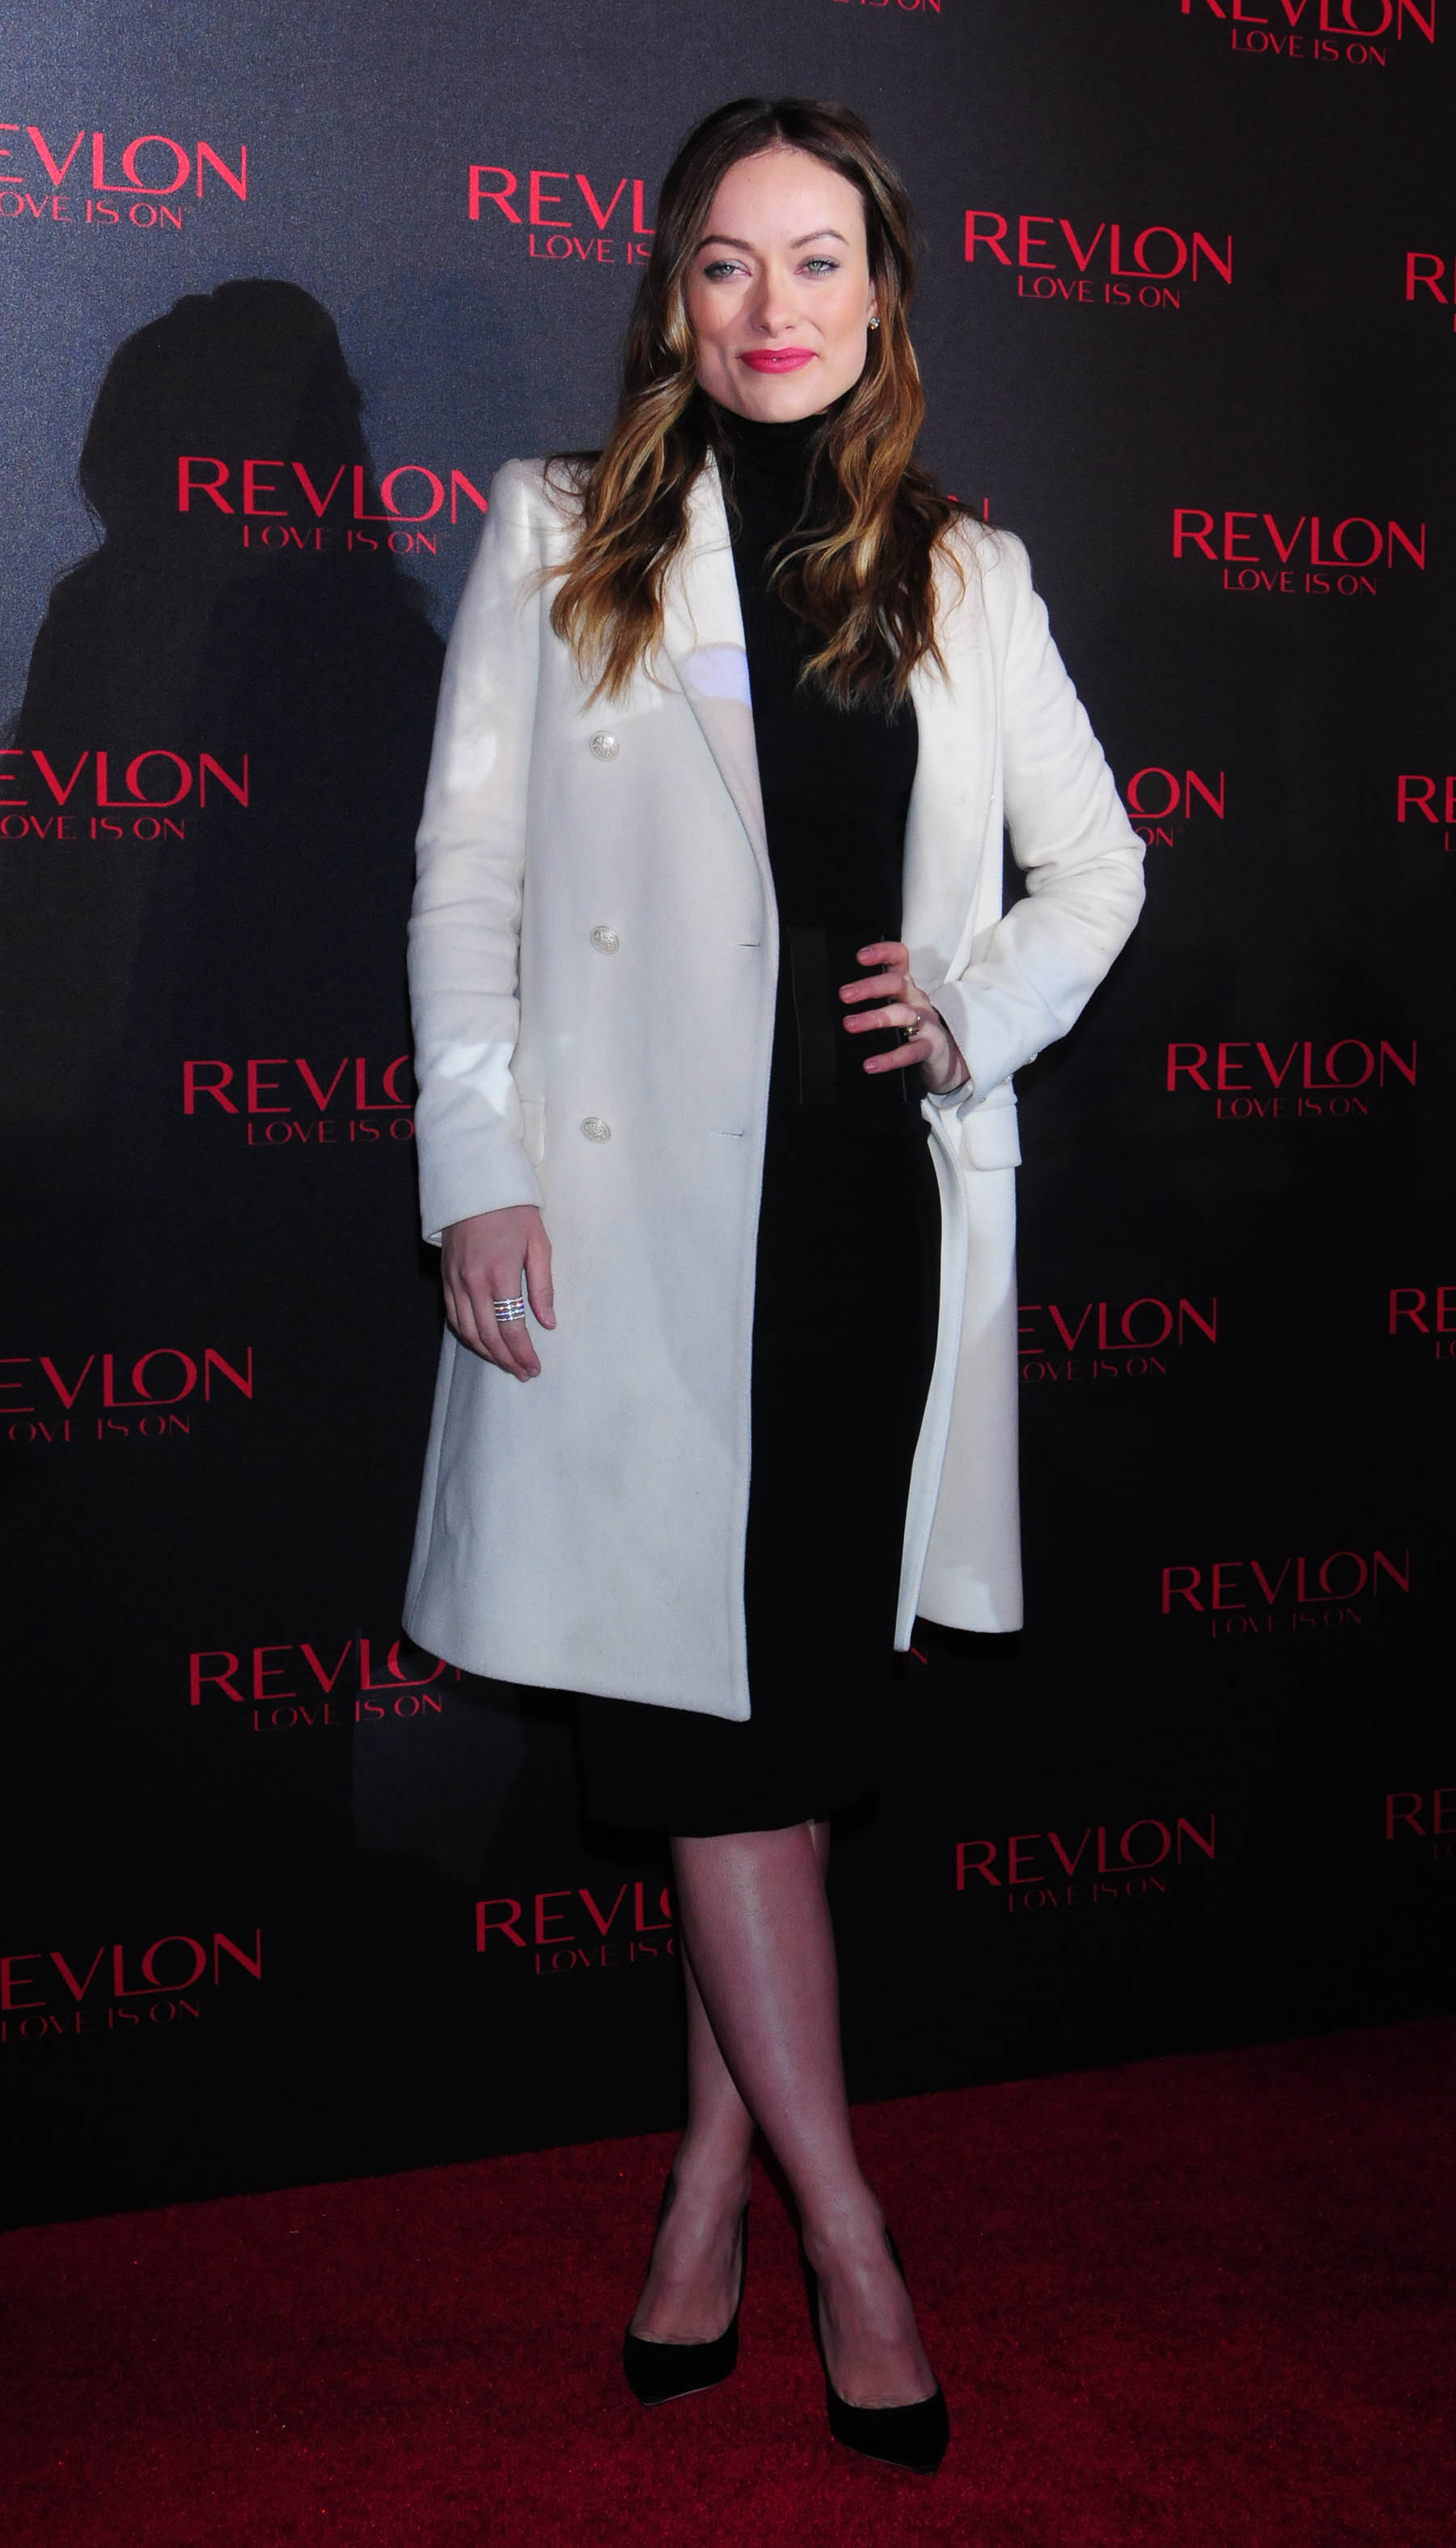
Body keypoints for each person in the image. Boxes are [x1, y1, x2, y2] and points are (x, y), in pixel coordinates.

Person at [404, 96, 1145, 2473]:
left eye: (818, 259)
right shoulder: (562, 530)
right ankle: (852, 2235)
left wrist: (974, 1007)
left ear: (883, 296)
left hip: (857, 1225)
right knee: (718, 1754)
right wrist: (474, 1172)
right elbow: (467, 882)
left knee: (785, 1739)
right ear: (674, 292)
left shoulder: (961, 571)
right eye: (727, 262)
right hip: (632, 1239)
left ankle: (708, 2189)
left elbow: (1098, 872)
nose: (772, 305)